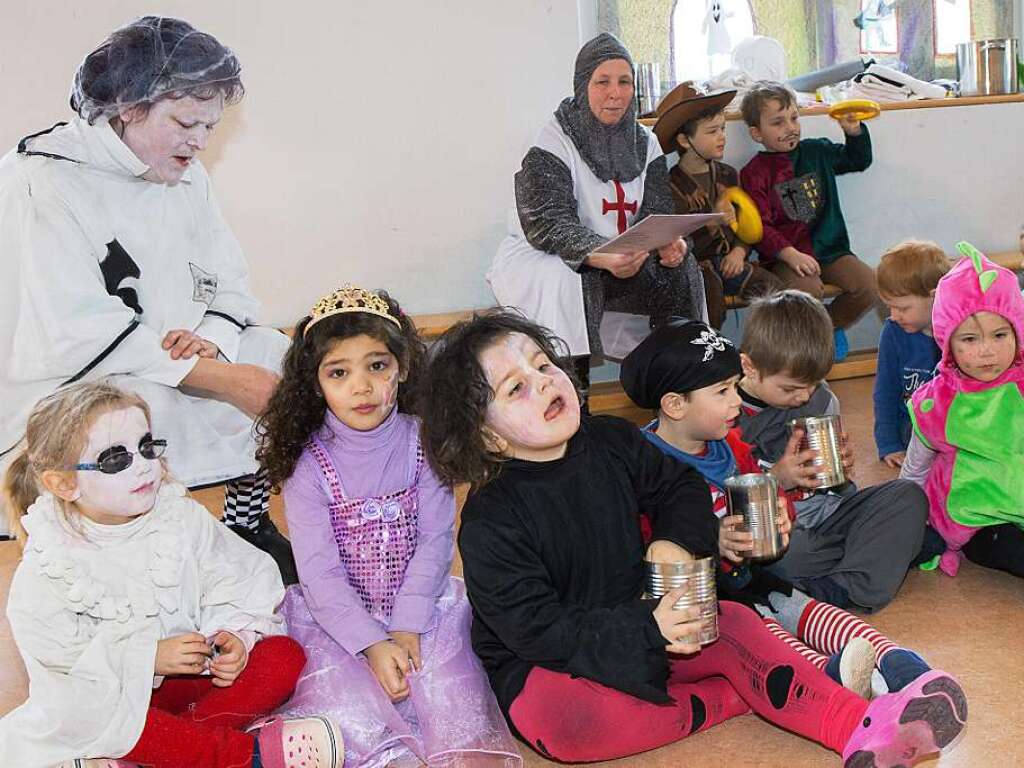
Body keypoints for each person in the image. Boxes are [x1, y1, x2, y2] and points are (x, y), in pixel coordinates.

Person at [419, 309, 965, 766]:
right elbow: (538, 633)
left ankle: (858, 727)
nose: (542, 382)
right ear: (487, 434)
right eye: (516, 387)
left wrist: (676, 543)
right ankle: (731, 698)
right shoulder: (492, 521)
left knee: (738, 622)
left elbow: (678, 488)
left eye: (543, 365)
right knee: (565, 723)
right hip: (559, 661)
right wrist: (646, 627)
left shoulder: (609, 438)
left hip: (651, 622)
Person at [0, 16, 295, 581]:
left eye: (210, 126)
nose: (200, 142)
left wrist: (209, 339)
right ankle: (127, 553)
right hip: (68, 380)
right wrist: (215, 377)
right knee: (124, 412)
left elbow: (227, 282)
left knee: (270, 352)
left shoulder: (188, 177)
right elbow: (72, 331)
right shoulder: (43, 180)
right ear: (129, 107)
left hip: (167, 357)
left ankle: (245, 523)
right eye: (186, 122)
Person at [0, 382, 343, 768]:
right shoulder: (51, 562)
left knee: (282, 657)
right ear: (64, 484)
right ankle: (246, 757)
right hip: (112, 700)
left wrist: (233, 636)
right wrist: (148, 658)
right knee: (94, 714)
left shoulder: (180, 517)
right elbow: (62, 667)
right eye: (115, 459)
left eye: (146, 446)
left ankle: (166, 747)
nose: (144, 464)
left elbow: (234, 579)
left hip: (188, 683)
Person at [255, 285, 520, 768]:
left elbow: (435, 542)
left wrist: (405, 628)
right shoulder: (307, 466)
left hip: (423, 612)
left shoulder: (426, 442)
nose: (362, 387)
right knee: (354, 733)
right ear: (315, 384)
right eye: (339, 372)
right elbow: (319, 574)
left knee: (456, 722)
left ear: (402, 367)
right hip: (338, 624)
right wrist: (373, 642)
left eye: (377, 366)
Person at [621, 319, 939, 698]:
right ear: (675, 404)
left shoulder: (731, 446)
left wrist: (780, 510)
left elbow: (773, 504)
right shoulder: (638, 463)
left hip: (765, 570)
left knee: (904, 497)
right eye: (722, 391)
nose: (737, 401)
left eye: (734, 387)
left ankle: (891, 657)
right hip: (718, 592)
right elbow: (635, 545)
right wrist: (710, 539)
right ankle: (825, 670)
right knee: (760, 620)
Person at [488, 33, 706, 397]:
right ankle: (572, 400)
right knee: (569, 277)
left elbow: (655, 212)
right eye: (602, 82)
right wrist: (598, 253)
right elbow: (546, 221)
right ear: (582, 85)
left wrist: (668, 245)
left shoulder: (646, 142)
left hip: (626, 257)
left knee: (682, 270)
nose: (615, 93)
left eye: (624, 82)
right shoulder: (552, 141)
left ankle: (676, 389)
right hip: (552, 256)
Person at [735, 291, 930, 611]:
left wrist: (842, 468)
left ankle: (839, 587)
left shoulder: (821, 398)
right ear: (750, 367)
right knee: (778, 555)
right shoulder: (725, 412)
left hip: (831, 517)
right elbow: (722, 502)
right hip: (784, 533)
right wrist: (776, 478)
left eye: (814, 383)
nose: (804, 396)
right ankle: (875, 560)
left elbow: (841, 494)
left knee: (908, 496)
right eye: (790, 389)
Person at [901, 244, 1024, 579]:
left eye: (1000, 335)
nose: (987, 352)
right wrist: (905, 523)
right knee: (1014, 550)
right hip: (977, 520)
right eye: (969, 340)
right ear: (947, 343)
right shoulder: (938, 401)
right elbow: (914, 468)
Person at [739, 82, 877, 362]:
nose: (790, 127)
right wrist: (789, 254)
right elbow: (760, 228)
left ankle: (825, 329)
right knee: (807, 291)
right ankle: (809, 346)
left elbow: (858, 160)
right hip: (787, 256)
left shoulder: (817, 151)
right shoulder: (754, 173)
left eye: (793, 118)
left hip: (831, 249)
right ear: (756, 133)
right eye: (778, 122)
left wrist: (853, 132)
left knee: (869, 285)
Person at [653, 83, 782, 328]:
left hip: (730, 260)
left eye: (723, 129)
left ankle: (761, 355)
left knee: (776, 294)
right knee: (708, 306)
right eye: (712, 131)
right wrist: (713, 220)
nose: (722, 137)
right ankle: (710, 359)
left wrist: (739, 251)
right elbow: (677, 241)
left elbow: (746, 225)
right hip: (697, 268)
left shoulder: (728, 175)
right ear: (684, 140)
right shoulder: (672, 186)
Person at [873, 240, 950, 468]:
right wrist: (889, 444)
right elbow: (885, 392)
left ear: (935, 296)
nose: (894, 315)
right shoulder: (893, 332)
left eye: (903, 308)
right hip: (914, 431)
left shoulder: (958, 333)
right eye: (889, 306)